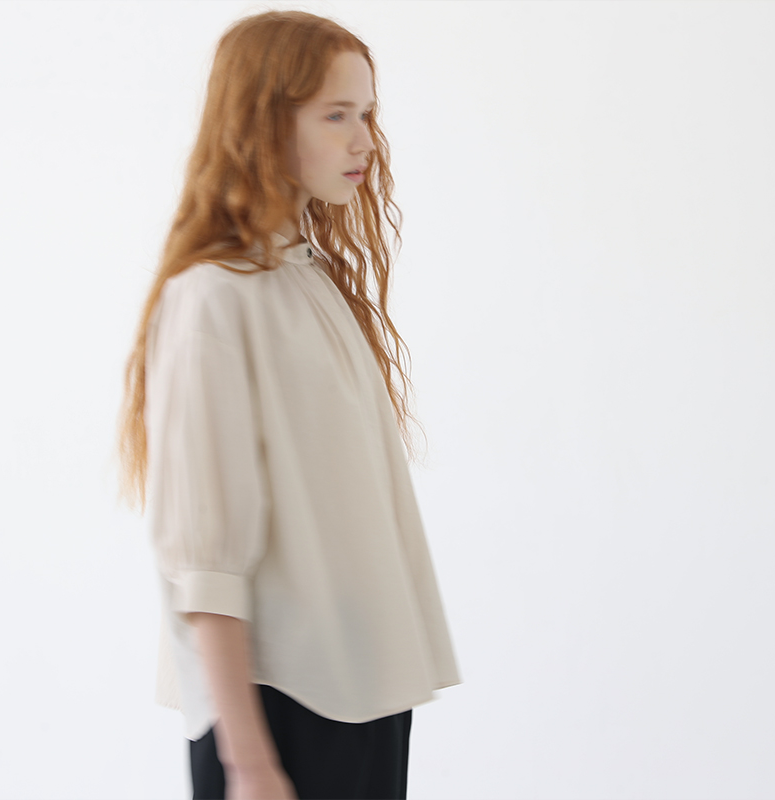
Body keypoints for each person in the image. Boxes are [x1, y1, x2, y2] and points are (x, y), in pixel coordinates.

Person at [116, 10, 460, 800]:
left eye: (367, 113)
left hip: (361, 694)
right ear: (263, 121)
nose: (365, 141)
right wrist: (250, 764)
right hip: (280, 713)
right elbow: (203, 563)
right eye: (337, 115)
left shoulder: (307, 279)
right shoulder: (212, 300)